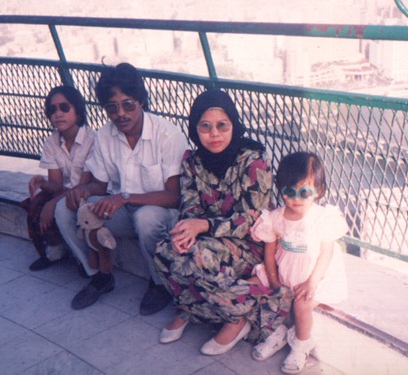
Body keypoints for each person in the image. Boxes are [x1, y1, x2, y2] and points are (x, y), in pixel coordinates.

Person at [154, 90, 292, 356]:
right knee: (166, 249)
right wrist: (187, 230)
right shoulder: (192, 162)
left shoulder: (254, 161)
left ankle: (236, 319)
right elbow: (191, 205)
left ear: (233, 126)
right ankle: (189, 309)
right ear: (195, 129)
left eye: (221, 126)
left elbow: (254, 217)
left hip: (249, 244)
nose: (214, 134)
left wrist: (203, 227)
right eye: (205, 127)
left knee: (199, 256)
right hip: (208, 237)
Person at [54, 62, 189, 314]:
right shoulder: (105, 136)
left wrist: (125, 198)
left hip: (163, 214)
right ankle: (99, 276)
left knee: (146, 217)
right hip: (124, 212)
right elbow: (100, 185)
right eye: (112, 108)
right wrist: (82, 191)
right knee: (65, 209)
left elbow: (174, 196)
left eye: (128, 105)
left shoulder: (168, 135)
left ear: (141, 101)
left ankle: (159, 284)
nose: (120, 114)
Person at [250, 151, 348, 374]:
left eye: (304, 192)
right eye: (289, 192)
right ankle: (275, 335)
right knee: (256, 288)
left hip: (314, 276)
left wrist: (312, 283)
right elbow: (269, 253)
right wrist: (274, 282)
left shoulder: (323, 218)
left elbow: (326, 255)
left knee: (302, 305)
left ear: (319, 191)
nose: (296, 198)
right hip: (283, 272)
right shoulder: (274, 218)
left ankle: (301, 345)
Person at [22, 85, 96, 271]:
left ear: (78, 112)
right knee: (36, 205)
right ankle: (55, 249)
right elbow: (56, 185)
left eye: (64, 107)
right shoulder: (51, 142)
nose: (58, 113)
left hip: (89, 193)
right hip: (65, 193)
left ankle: (85, 259)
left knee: (58, 207)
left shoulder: (93, 140)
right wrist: (43, 183)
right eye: (52, 109)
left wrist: (52, 204)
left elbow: (85, 186)